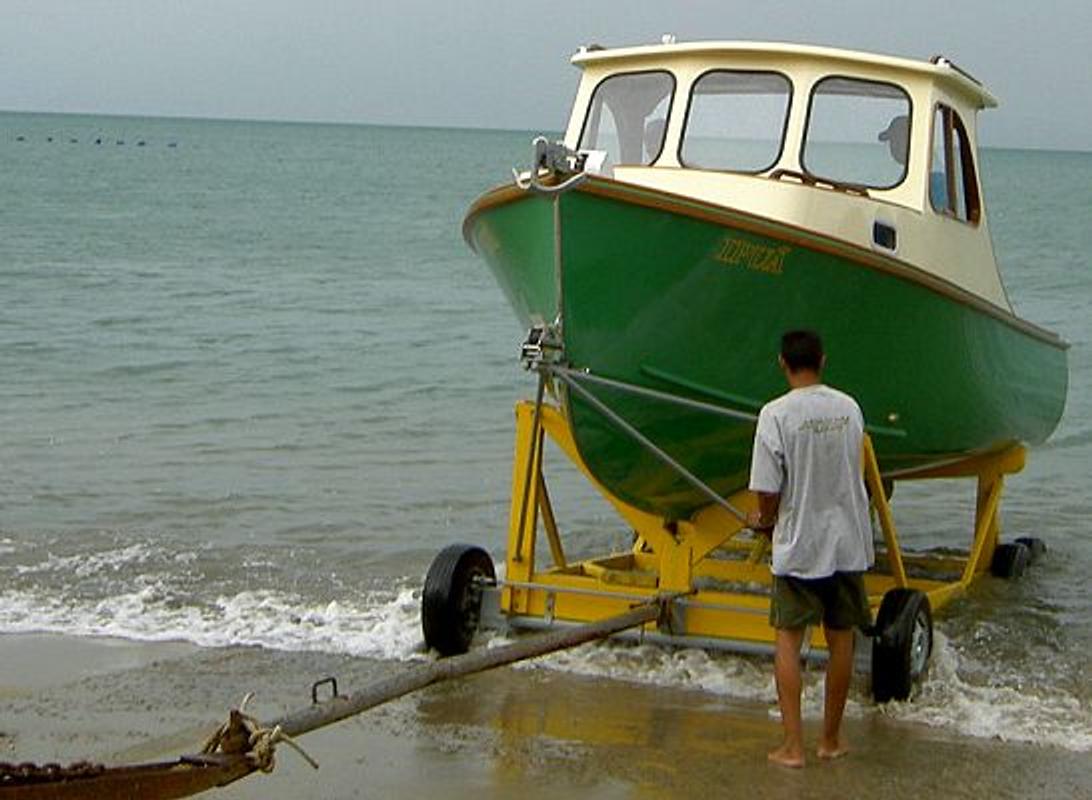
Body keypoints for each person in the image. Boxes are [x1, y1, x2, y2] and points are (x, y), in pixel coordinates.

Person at [747, 330, 874, 768]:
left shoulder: (775, 414)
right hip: (846, 542)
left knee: (788, 640)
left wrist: (764, 522)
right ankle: (831, 739)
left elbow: (766, 489)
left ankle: (793, 747)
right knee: (841, 642)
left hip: (799, 544)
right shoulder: (849, 408)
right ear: (823, 359)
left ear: (782, 363)